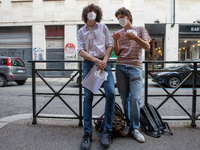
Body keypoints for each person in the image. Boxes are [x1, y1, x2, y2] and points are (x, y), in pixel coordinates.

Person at [77, 3, 115, 150]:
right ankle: (87, 133)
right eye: (89, 12)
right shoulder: (81, 31)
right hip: (89, 64)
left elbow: (110, 45)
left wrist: (103, 61)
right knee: (88, 97)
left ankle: (107, 131)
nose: (92, 13)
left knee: (111, 93)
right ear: (85, 14)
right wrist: (95, 61)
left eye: (94, 12)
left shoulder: (103, 27)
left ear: (97, 14)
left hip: (104, 64)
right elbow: (80, 50)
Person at [112, 7, 151, 143]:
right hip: (121, 67)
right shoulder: (119, 33)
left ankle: (135, 128)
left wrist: (134, 37)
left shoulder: (140, 29)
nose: (120, 20)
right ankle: (128, 125)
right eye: (118, 18)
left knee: (135, 99)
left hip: (135, 68)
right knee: (125, 99)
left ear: (128, 16)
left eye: (121, 17)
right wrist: (115, 40)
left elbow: (147, 47)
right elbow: (117, 53)